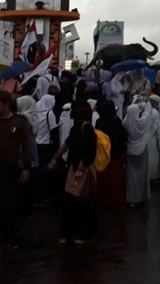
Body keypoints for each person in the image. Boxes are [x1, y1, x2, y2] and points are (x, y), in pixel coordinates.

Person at [0, 90, 32, 248]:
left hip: (10, 168)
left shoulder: (19, 122)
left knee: (7, 205)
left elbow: (26, 145)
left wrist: (26, 166)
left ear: (5, 104)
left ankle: (8, 238)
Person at [47, 99, 98, 244]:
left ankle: (82, 234)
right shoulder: (77, 127)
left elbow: (89, 152)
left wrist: (80, 169)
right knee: (72, 202)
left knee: (80, 202)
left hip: (82, 170)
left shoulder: (86, 128)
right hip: (73, 168)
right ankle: (72, 233)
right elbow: (68, 143)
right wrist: (55, 158)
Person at [96, 102, 128, 208]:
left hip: (104, 155)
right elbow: (123, 135)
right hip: (117, 153)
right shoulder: (116, 120)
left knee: (104, 180)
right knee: (116, 180)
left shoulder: (99, 122)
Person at [124, 100, 154, 206]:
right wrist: (144, 103)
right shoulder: (143, 122)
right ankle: (142, 196)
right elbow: (148, 111)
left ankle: (132, 198)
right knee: (142, 176)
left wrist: (133, 102)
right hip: (142, 152)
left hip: (130, 152)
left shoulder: (126, 123)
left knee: (131, 177)